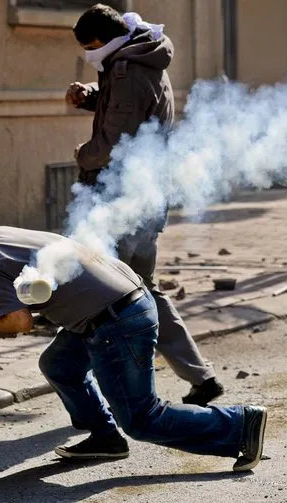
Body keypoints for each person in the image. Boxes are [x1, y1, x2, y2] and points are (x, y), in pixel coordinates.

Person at [0, 226, 267, 469]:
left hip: (117, 320)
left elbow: (20, 322)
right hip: (113, 305)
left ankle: (240, 426)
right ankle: (104, 437)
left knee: (143, 419)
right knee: (59, 364)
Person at [66, 3, 224, 407]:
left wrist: (84, 155)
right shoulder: (140, 54)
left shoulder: (127, 69)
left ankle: (106, 388)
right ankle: (200, 377)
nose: (88, 54)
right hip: (146, 196)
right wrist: (91, 99)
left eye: (89, 46)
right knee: (142, 290)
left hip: (126, 200)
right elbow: (130, 110)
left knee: (103, 294)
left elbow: (115, 141)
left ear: (103, 41)